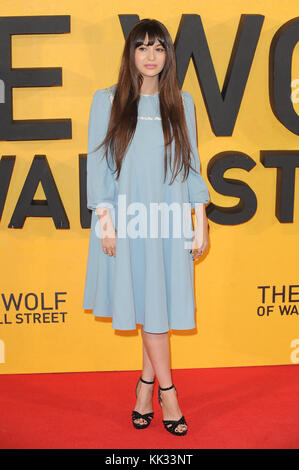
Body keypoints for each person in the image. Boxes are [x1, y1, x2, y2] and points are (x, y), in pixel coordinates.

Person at [83, 18, 210, 436]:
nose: (151, 56)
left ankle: (144, 387)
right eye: (142, 47)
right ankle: (168, 393)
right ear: (130, 53)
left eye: (158, 48)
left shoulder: (183, 104)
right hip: (127, 222)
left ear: (168, 55)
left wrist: (201, 220)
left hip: (170, 222)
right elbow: (99, 167)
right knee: (149, 308)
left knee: (153, 307)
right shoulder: (108, 101)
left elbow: (191, 168)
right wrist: (106, 223)